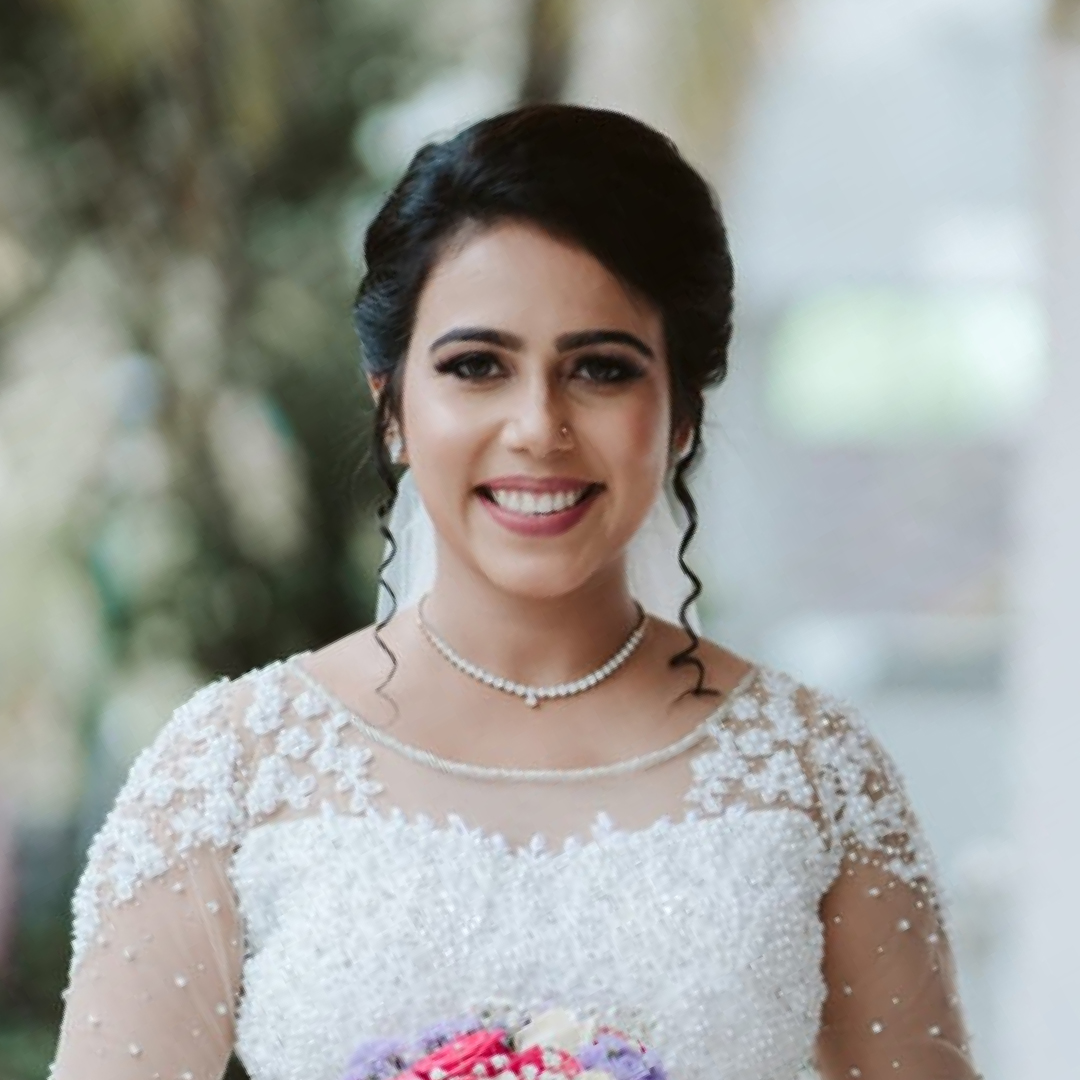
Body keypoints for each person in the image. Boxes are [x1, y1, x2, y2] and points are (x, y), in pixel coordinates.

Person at [49, 104, 980, 1080]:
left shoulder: (816, 776)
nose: (538, 425)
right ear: (394, 403)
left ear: (683, 415)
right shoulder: (227, 773)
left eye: (602, 369)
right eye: (477, 366)